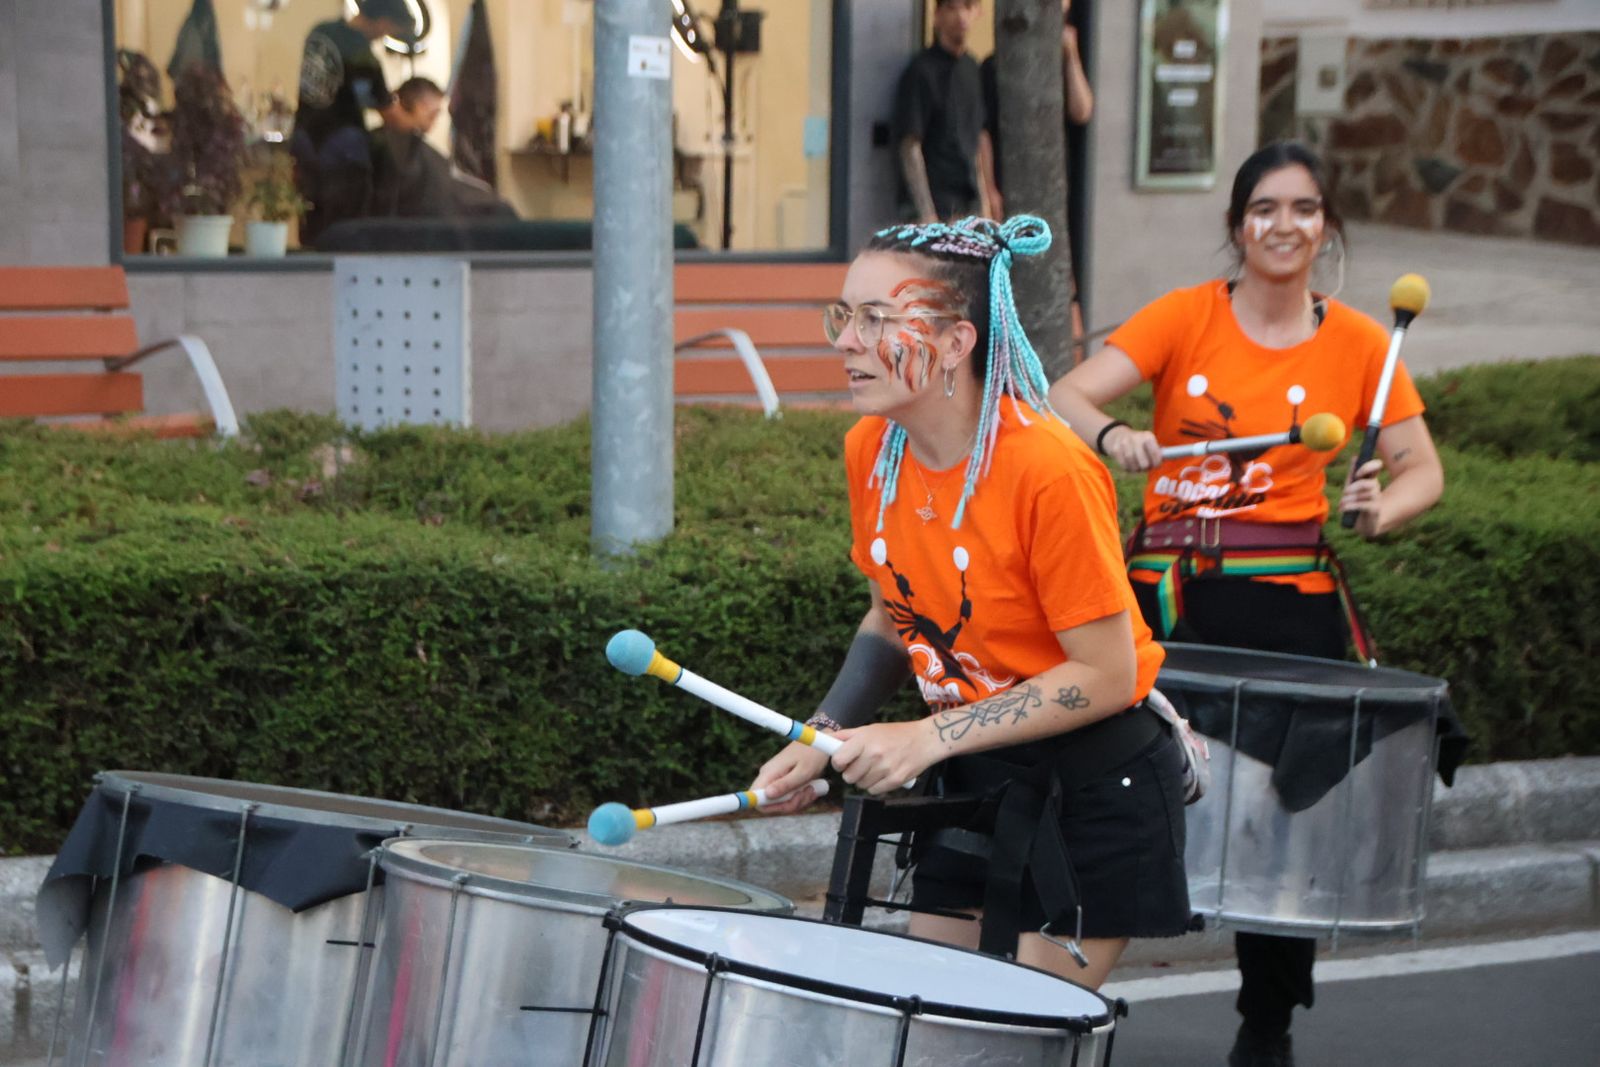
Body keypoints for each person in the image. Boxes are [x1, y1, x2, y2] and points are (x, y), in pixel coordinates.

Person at [1048, 141, 1445, 1065]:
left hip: (1290, 603)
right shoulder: (1185, 317)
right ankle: (1060, 987)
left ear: (1325, 226)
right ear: (1238, 227)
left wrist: (1382, 506)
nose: (1284, 225)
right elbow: (1065, 392)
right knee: (1109, 786)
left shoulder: (1359, 343)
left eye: (1304, 209)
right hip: (1172, 601)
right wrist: (1114, 433)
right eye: (1265, 209)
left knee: (1288, 818)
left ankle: (1266, 1021)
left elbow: (1423, 469)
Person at [751, 214, 1191, 989]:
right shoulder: (873, 450)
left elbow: (1107, 673)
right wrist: (823, 732)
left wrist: (928, 737)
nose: (845, 340)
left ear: (956, 342)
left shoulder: (1049, 470)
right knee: (933, 1021)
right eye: (843, 315)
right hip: (974, 777)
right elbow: (895, 611)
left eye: (876, 319)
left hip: (1095, 787)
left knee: (1007, 1030)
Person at [290, 0, 416, 244]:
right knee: (342, 236)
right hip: (341, 156)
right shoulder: (362, 55)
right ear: (383, 22)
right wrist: (417, 121)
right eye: (391, 31)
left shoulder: (320, 32)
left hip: (305, 144)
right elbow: (390, 114)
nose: (385, 36)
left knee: (310, 230)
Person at [977, 0, 1093, 224]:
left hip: (1056, 181)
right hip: (1008, 178)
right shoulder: (992, 66)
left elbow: (1082, 111)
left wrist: (1071, 55)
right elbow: (983, 134)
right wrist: (989, 188)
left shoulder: (1063, 64)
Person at [891, 0, 992, 223]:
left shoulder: (972, 68)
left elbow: (976, 140)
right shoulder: (921, 72)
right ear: (937, 16)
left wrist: (985, 204)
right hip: (936, 205)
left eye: (967, 6)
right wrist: (926, 213)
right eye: (952, 7)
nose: (961, 16)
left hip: (968, 205)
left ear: (977, 13)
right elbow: (910, 145)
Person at [372, 77, 516, 220]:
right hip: (426, 226)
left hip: (428, 220)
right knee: (501, 211)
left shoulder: (402, 145)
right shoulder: (401, 148)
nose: (436, 118)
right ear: (421, 106)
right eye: (434, 113)